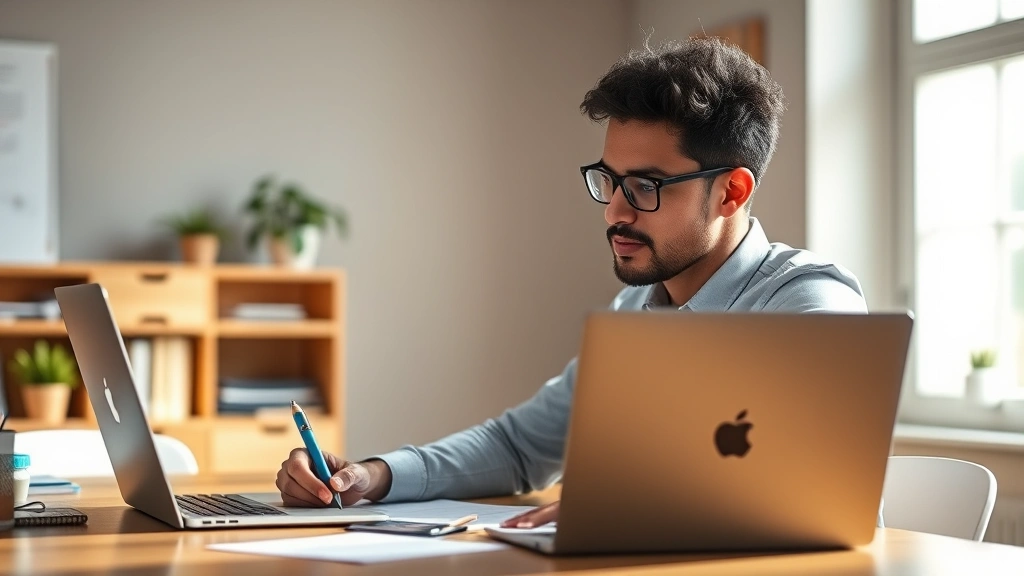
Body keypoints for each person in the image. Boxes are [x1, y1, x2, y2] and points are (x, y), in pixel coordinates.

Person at [275, 36, 867, 528]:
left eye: (646, 186)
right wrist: (370, 478)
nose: (615, 211)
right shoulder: (636, 307)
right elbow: (520, 447)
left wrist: (622, 511)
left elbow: (812, 481)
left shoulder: (809, 301)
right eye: (608, 180)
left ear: (732, 191)